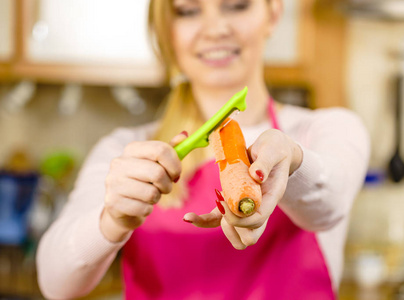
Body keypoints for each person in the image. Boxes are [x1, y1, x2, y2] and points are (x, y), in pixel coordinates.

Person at [37, 0, 370, 299]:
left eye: (237, 5)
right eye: (188, 10)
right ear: (166, 29)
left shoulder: (325, 130)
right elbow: (55, 283)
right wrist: (111, 220)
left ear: (273, 13)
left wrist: (293, 161)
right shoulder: (126, 150)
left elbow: (330, 205)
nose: (215, 29)